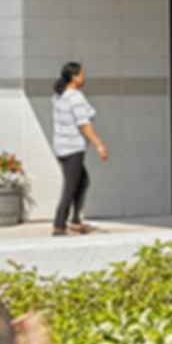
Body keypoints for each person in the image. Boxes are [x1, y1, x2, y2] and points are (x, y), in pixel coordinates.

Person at [51, 62, 109, 236]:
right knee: (71, 186)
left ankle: (75, 221)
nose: (84, 77)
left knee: (82, 181)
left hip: (62, 146)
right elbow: (84, 125)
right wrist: (99, 144)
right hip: (72, 148)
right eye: (82, 74)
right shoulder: (75, 97)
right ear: (74, 77)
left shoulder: (58, 96)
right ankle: (59, 225)